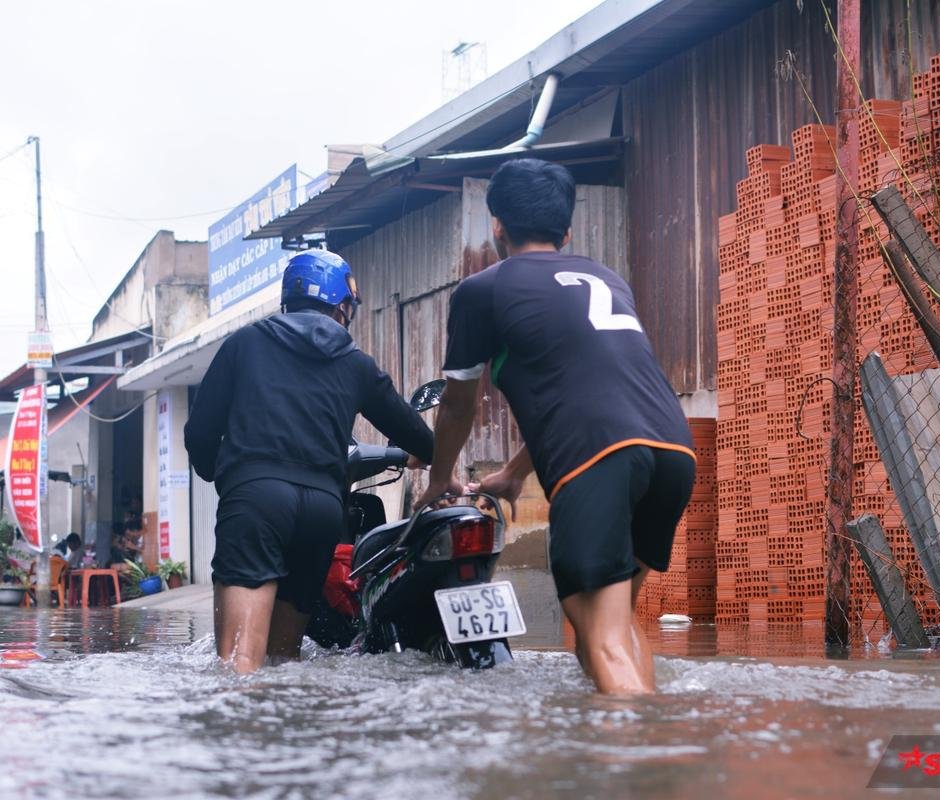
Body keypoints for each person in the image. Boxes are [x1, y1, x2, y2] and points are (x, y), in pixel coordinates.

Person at [416, 159, 696, 695]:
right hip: (672, 450)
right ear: (566, 231)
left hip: (598, 460)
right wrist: (516, 472)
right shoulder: (606, 277)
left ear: (496, 226)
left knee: (597, 631)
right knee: (616, 624)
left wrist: (439, 476)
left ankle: (641, 761)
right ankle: (642, 733)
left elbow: (457, 405)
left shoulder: (484, 290)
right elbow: (592, 387)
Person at [185, 249, 434, 674]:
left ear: (288, 298)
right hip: (321, 512)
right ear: (342, 306)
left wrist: (219, 474)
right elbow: (415, 432)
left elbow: (200, 433)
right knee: (286, 661)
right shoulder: (356, 362)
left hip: (256, 503)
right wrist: (432, 463)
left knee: (240, 663)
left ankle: (240, 740)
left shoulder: (244, 344)